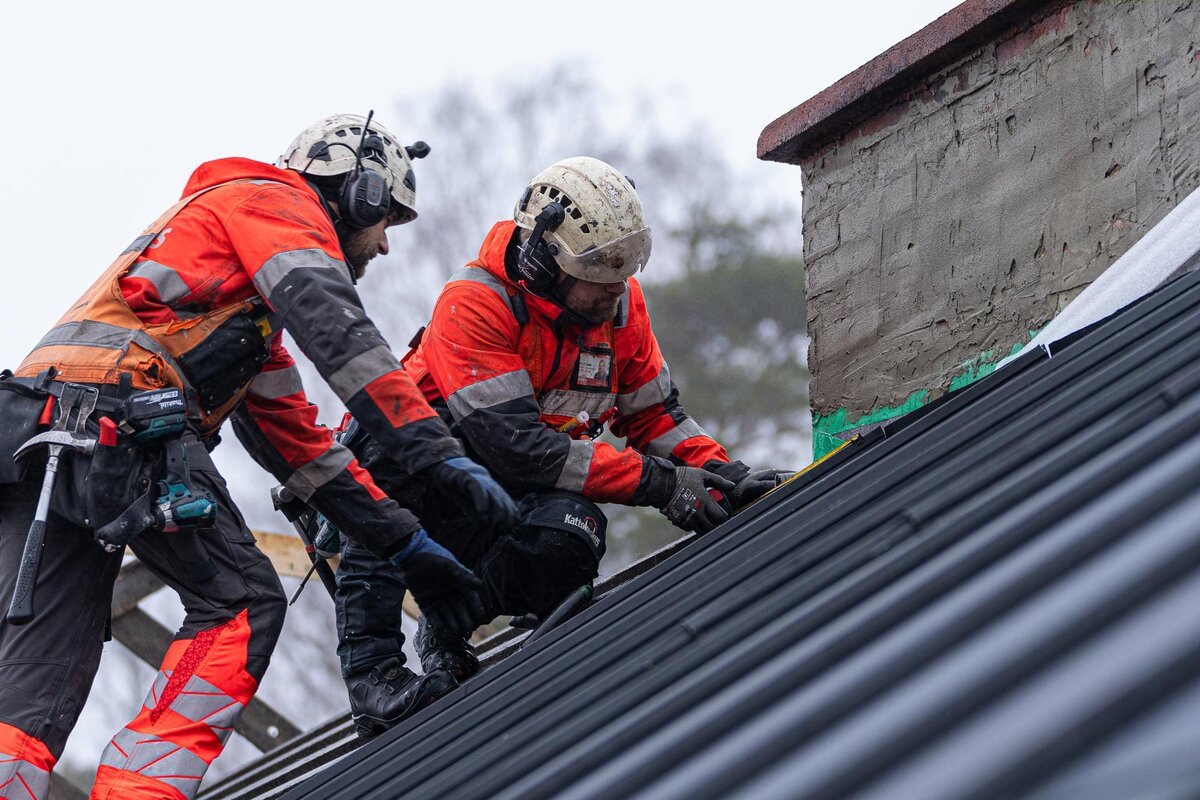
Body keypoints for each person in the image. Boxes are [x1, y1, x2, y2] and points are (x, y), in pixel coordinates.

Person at [0, 113, 515, 799]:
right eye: (386, 218)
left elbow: (298, 448)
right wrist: (438, 452)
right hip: (117, 422)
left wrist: (407, 544)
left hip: (38, 445)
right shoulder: (276, 201)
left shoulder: (230, 306)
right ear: (354, 194)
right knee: (240, 602)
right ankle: (139, 791)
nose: (386, 245)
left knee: (35, 675)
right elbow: (340, 334)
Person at [332, 156, 794, 726]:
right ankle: (373, 674)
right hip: (421, 485)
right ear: (544, 261)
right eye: (597, 276)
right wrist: (662, 486)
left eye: (620, 276)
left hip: (504, 491)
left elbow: (654, 416)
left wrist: (721, 475)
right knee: (389, 476)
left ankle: (449, 623)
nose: (613, 294)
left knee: (573, 535)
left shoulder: (619, 305)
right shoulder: (475, 305)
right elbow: (519, 448)